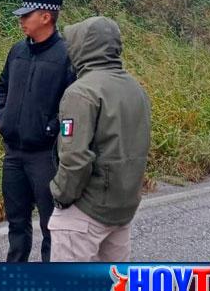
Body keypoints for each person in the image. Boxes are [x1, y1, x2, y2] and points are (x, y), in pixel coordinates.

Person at [48, 16, 151, 262]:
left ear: (85, 47)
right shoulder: (135, 89)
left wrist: (60, 194)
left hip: (86, 210)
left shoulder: (82, 92)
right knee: (114, 289)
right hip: (122, 207)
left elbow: (75, 157)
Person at [0, 0, 74, 262]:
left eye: (26, 15)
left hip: (45, 155)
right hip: (14, 152)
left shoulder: (66, 55)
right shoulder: (17, 51)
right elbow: (2, 87)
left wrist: (51, 130)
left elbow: (72, 101)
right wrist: (2, 118)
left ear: (46, 17)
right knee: (16, 223)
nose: (21, 21)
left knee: (51, 224)